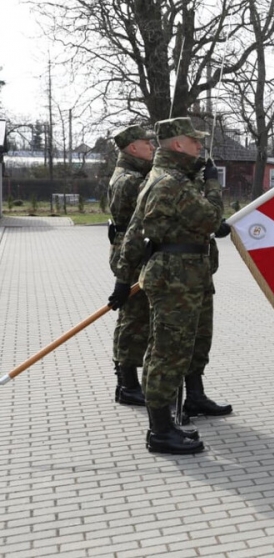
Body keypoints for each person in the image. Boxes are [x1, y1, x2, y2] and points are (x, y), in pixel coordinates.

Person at [109, 117, 225, 455]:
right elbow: (211, 217)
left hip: (183, 276)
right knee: (168, 352)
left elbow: (133, 231)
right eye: (194, 141)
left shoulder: (162, 177)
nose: (199, 146)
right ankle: (160, 432)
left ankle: (168, 423)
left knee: (177, 348)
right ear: (177, 144)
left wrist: (122, 276)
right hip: (176, 277)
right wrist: (213, 185)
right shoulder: (171, 182)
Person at [107, 124, 156, 406]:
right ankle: (126, 384)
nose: (152, 147)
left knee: (136, 318)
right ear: (132, 148)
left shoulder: (136, 174)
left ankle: (128, 383)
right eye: (147, 143)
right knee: (132, 319)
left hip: (133, 251)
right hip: (132, 254)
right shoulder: (130, 180)